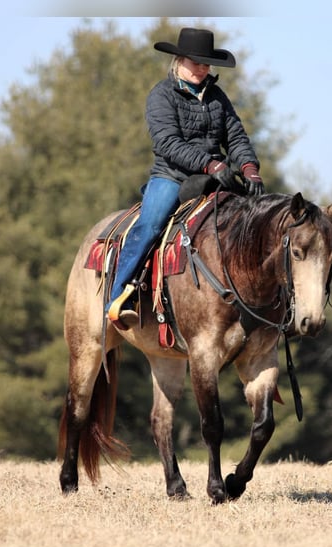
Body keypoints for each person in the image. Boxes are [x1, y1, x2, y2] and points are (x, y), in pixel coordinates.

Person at [106, 27, 265, 324]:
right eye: (196, 62)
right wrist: (211, 165)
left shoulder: (217, 97)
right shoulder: (161, 95)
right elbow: (167, 143)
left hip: (214, 176)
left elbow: (236, 137)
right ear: (179, 61)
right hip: (172, 176)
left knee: (255, 221)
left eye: (206, 64)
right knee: (150, 227)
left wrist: (249, 169)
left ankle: (262, 302)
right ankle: (116, 298)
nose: (202, 69)